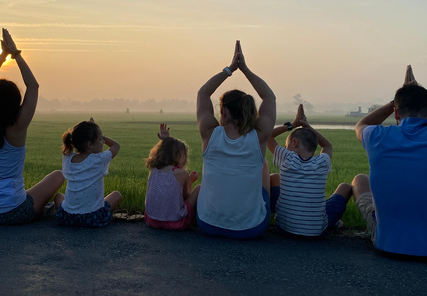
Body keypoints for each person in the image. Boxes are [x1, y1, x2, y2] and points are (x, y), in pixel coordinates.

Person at [352, 65, 427, 258]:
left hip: (387, 245)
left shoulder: (377, 135)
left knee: (359, 181)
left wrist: (395, 101)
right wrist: (423, 99)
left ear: (396, 114)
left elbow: (361, 125)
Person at [0, 28, 64, 225]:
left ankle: (39, 208)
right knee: (58, 175)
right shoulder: (17, 127)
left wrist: (2, 57)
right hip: (14, 212)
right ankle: (43, 211)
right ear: (15, 104)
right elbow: (33, 86)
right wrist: (16, 54)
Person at [195, 41, 275, 239]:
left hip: (208, 224)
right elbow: (269, 98)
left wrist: (230, 69)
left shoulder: (209, 134)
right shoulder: (258, 137)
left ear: (222, 111)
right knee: (263, 164)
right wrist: (245, 69)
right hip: (251, 229)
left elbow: (203, 93)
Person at [267, 104, 351, 237]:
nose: (285, 149)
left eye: (286, 145)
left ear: (294, 142)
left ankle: (278, 215)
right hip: (316, 231)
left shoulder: (288, 158)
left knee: (273, 177)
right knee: (345, 187)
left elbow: (268, 136)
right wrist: (308, 126)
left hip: (284, 228)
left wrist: (293, 125)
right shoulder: (321, 162)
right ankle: (333, 222)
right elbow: (327, 145)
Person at [55, 118, 122, 228]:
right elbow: (116, 146)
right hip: (92, 218)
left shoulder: (68, 158)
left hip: (67, 218)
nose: (103, 142)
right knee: (116, 195)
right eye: (100, 140)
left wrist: (92, 133)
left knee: (58, 197)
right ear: (90, 144)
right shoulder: (99, 159)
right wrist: (100, 134)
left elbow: (69, 148)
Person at [144, 123, 201, 230]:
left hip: (151, 220)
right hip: (176, 223)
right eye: (184, 155)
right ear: (176, 155)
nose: (186, 160)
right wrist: (191, 181)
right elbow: (184, 198)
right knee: (199, 188)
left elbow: (165, 150)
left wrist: (165, 141)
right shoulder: (182, 174)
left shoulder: (153, 169)